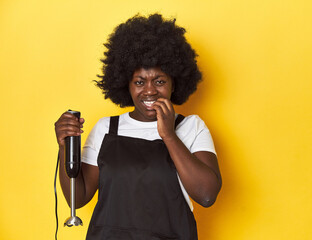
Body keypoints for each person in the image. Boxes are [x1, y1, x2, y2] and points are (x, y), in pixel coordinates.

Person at [55, 13, 222, 240]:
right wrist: (65, 148)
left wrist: (169, 135)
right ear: (127, 85)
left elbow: (206, 195)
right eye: (139, 82)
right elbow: (79, 197)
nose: (150, 91)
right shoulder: (106, 129)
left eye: (160, 81)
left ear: (175, 83)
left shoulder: (192, 127)